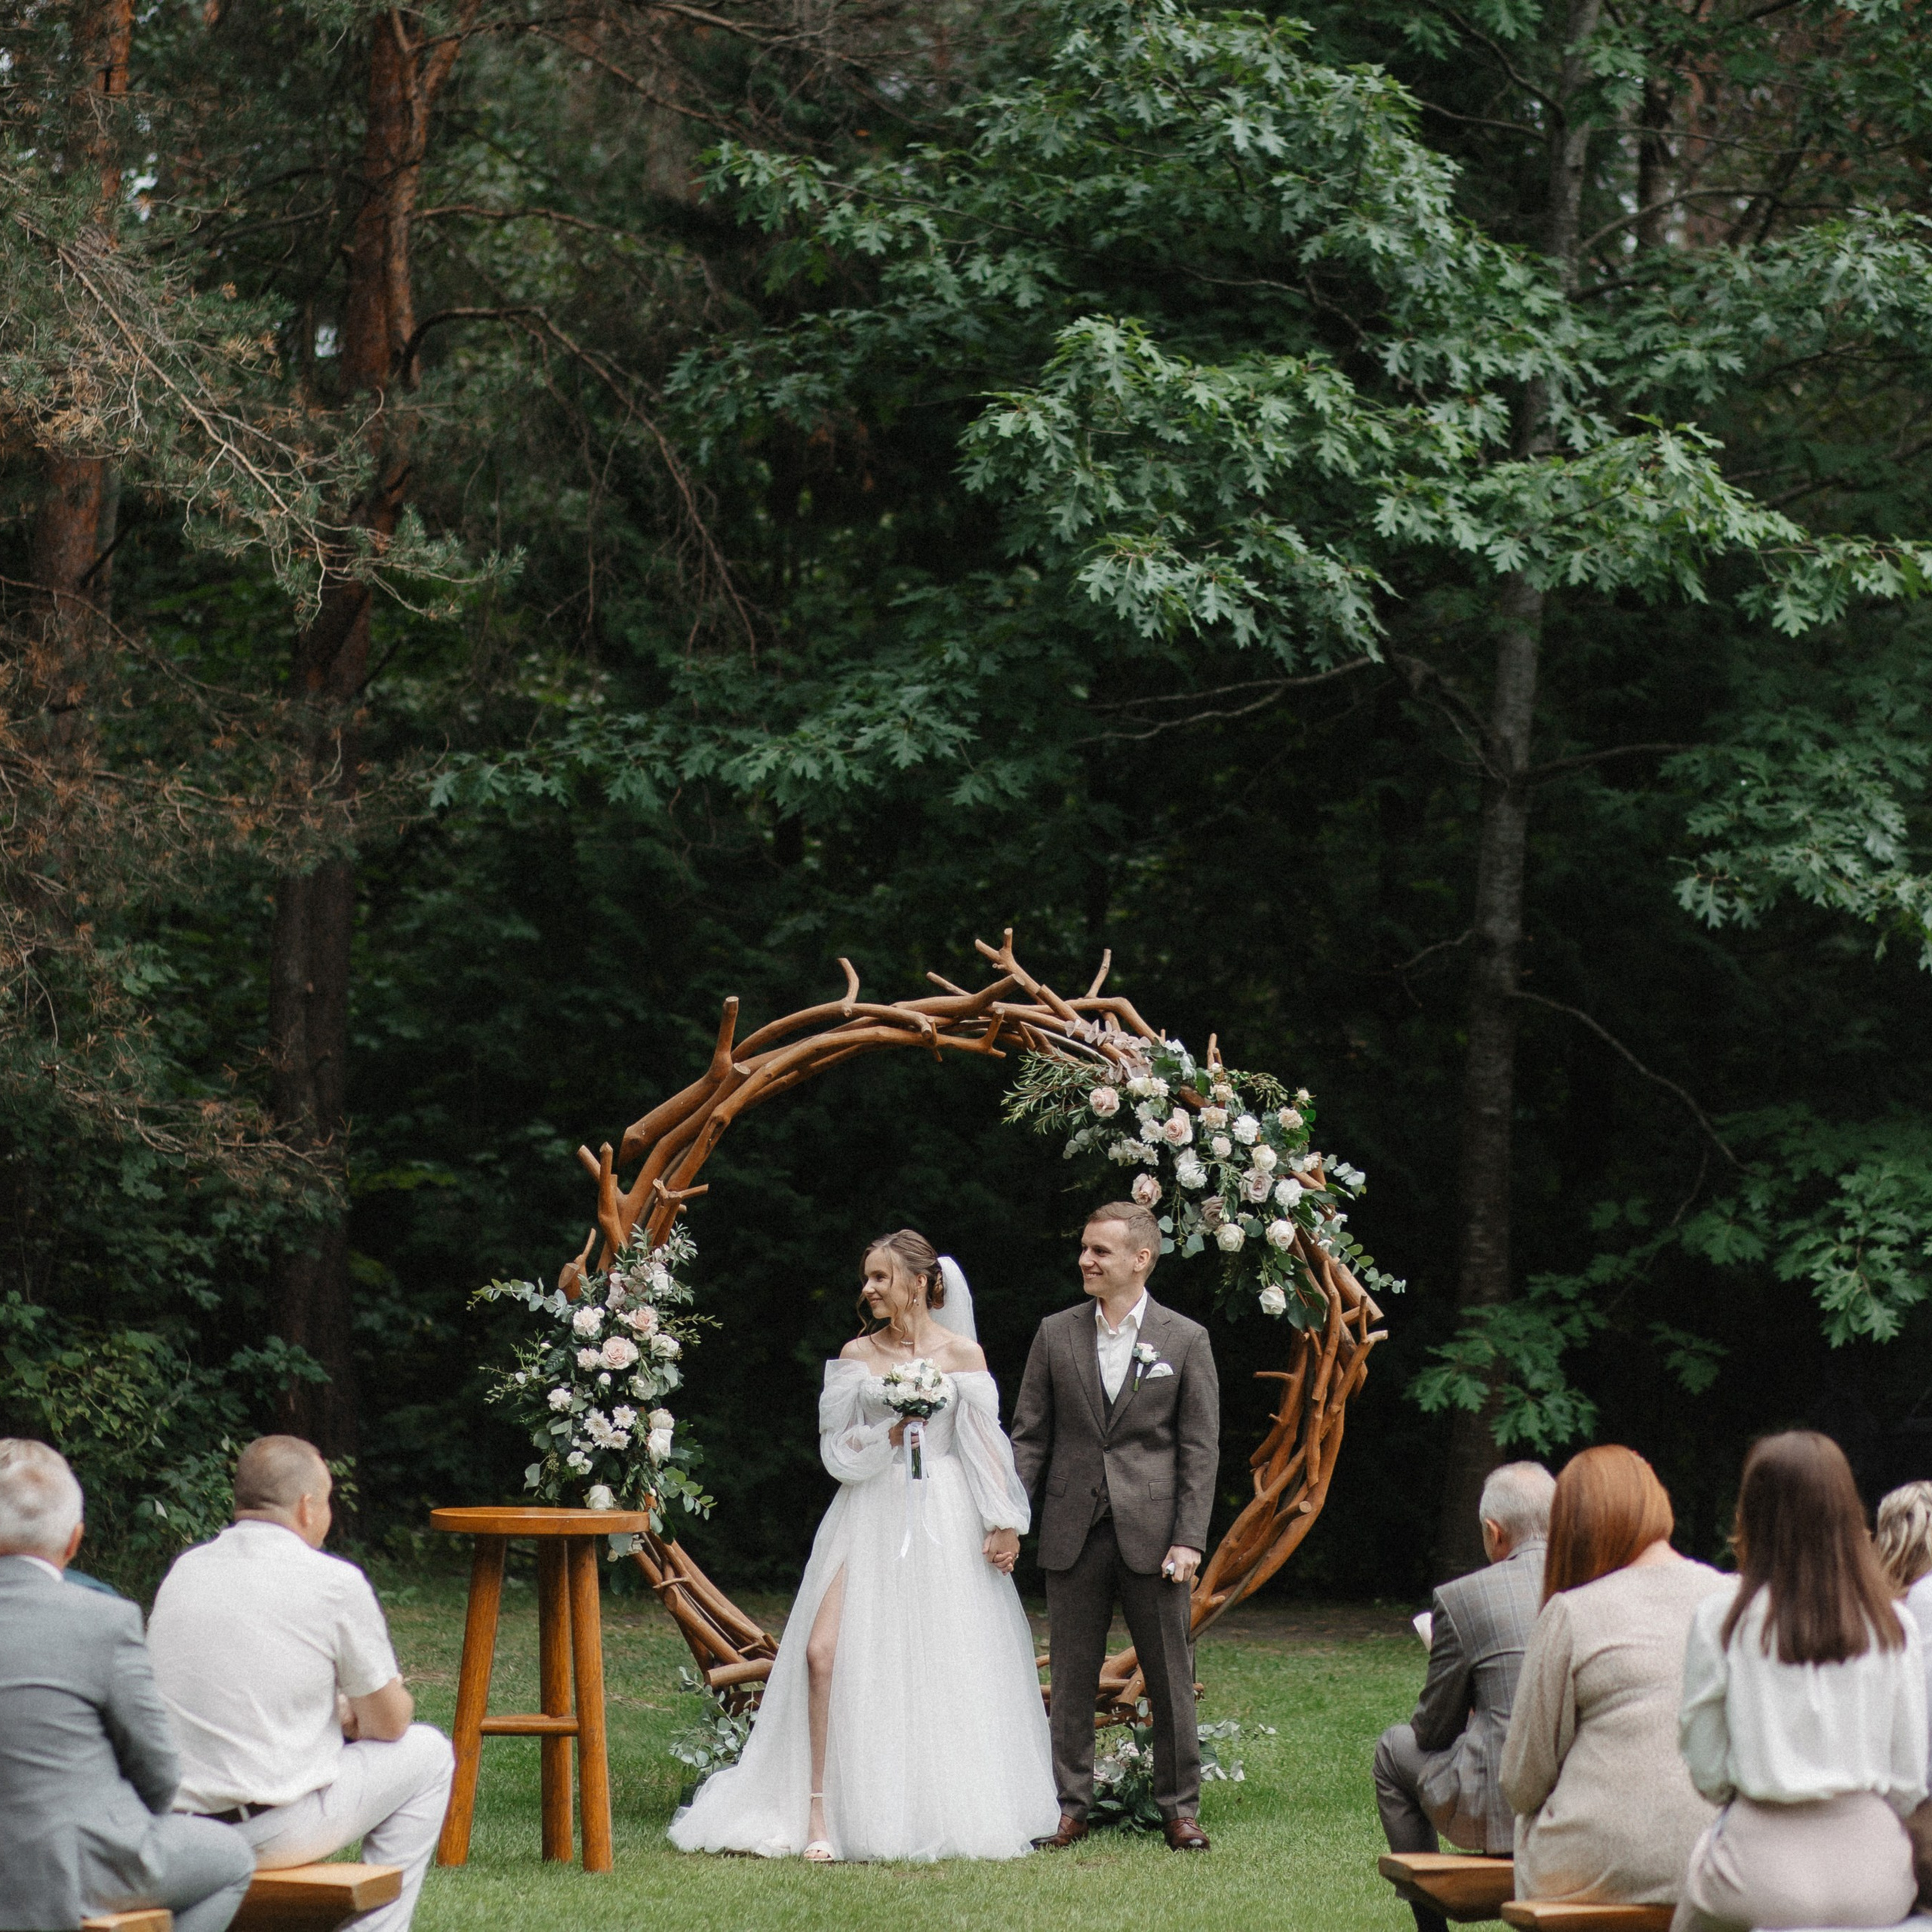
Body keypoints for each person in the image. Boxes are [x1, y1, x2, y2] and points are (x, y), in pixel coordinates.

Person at [669, 1231, 1057, 1862]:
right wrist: (891, 1433)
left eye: (880, 1277)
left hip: (944, 1513)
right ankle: (817, 1812)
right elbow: (837, 1453)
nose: (868, 1289)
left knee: (937, 1660)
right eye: (866, 1278)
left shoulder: (963, 1354)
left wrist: (1003, 1519)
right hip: (868, 1511)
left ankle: (926, 1807)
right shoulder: (856, 1354)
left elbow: (985, 1444)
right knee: (823, 1653)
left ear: (919, 1283)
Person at [146, 1437, 454, 1932]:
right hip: (268, 1828)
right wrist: (348, 1714)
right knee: (430, 1753)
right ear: (307, 1507)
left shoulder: (186, 1569)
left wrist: (330, 1711)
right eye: (328, 1499)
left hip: (175, 1829)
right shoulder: (333, 1581)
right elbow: (390, 1723)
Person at [1009, 1201, 1220, 1854]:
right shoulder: (1056, 1333)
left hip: (1155, 1536)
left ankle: (1178, 1810)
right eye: (1083, 1248)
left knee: (1169, 1675)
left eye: (1100, 1251)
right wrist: (1012, 1517)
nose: (1086, 1260)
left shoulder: (1185, 1339)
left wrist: (1188, 1538)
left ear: (1140, 1259)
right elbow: (1030, 1438)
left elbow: (1199, 1448)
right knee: (1071, 1675)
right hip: (1073, 1526)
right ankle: (1071, 1806)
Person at [1675, 1430, 1929, 1932]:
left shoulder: (1720, 1619)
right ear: (1847, 1512)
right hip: (1873, 1874)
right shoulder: (1894, 1624)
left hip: (1757, 1870)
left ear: (1752, 1515)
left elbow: (1707, 1770)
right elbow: (1910, 1779)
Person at [0, 1439, 254, 1932]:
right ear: (74, 1541)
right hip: (71, 1863)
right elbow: (158, 1770)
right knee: (232, 1858)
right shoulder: (103, 1620)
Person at [1501, 1446, 1727, 1905]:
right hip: (1723, 1856)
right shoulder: (1738, 1597)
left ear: (1575, 1526)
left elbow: (1521, 1785)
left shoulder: (1571, 1612)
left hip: (1597, 1870)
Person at [1374, 1460, 1555, 1932]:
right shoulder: (1599, 1585)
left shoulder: (1465, 1596)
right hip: (1581, 1799)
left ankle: (1431, 1924)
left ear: (1494, 1533)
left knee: (1394, 1750)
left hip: (1501, 1806)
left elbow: (1432, 1730)